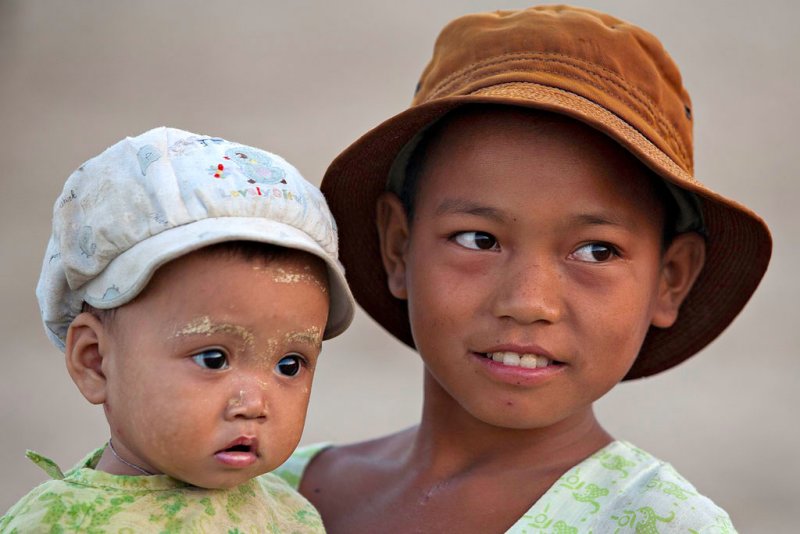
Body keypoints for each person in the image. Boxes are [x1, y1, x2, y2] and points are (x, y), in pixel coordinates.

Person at [273, 5, 772, 533]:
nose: (529, 301)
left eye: (597, 251)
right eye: (478, 240)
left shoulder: (661, 525)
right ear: (398, 247)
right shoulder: (269, 497)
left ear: (670, 279)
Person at [0, 127, 355, 532]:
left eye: (290, 365)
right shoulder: (58, 523)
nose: (253, 404)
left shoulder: (292, 516)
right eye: (214, 358)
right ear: (96, 362)